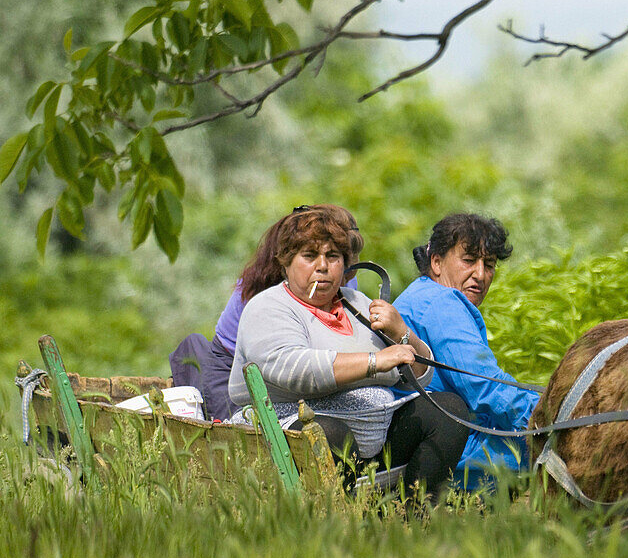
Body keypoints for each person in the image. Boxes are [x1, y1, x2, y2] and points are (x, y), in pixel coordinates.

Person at [225, 207, 470, 498]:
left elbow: (414, 377)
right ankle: (338, 521)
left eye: (332, 257)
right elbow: (293, 369)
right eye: (309, 256)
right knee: (329, 432)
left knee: (449, 410)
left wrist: (401, 333)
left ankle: (415, 515)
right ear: (286, 263)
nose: (322, 266)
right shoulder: (268, 307)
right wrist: (374, 362)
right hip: (289, 434)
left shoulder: (357, 302)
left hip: (372, 437)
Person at [170, 204, 363, 421]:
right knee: (242, 434)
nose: (329, 267)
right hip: (238, 365)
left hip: (293, 367)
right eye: (311, 255)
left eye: (336, 256)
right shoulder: (266, 295)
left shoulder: (341, 282)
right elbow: (286, 364)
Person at [394, 213, 539, 488]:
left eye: (490, 265)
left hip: (425, 440)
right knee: (554, 449)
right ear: (436, 262)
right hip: (442, 452)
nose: (481, 275)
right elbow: (485, 388)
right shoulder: (442, 303)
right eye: (469, 261)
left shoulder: (421, 293)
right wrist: (551, 413)